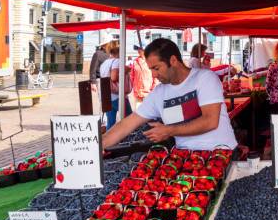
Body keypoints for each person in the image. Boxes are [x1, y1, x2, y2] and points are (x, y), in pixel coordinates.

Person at [103, 38, 237, 151]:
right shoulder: (159, 93)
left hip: (220, 153)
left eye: (156, 68)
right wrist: (96, 147)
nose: (154, 75)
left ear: (173, 60)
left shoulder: (205, 78)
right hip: (186, 160)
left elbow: (210, 121)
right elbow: (127, 124)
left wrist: (168, 130)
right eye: (151, 69)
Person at [99, 45, 132, 130]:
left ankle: (109, 141)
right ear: (119, 53)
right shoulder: (117, 61)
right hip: (118, 96)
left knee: (111, 122)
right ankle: (127, 139)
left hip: (106, 96)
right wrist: (126, 70)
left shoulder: (104, 63)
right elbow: (113, 77)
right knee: (130, 119)